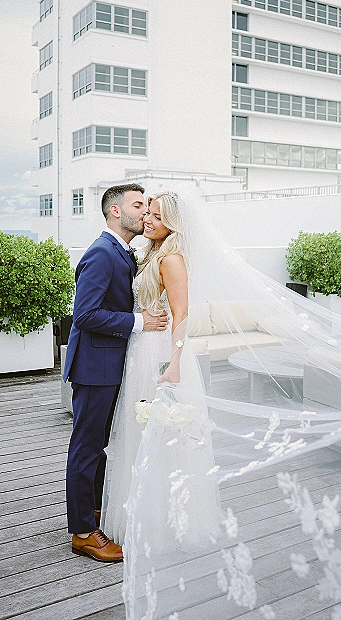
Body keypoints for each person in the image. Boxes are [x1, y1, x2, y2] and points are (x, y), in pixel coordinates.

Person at [101, 191, 221, 549]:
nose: (148, 220)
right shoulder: (149, 254)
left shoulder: (171, 259)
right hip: (139, 348)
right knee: (138, 436)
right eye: (147, 213)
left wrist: (175, 363)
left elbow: (181, 315)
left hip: (160, 352)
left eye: (156, 216)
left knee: (162, 436)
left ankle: (167, 524)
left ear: (173, 224)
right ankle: (143, 517)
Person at [63, 183, 168, 563]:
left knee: (100, 446)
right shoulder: (102, 253)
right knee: (86, 448)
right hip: (95, 368)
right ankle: (83, 534)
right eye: (138, 205)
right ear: (115, 211)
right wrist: (140, 322)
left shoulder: (122, 252)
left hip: (110, 365)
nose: (145, 212)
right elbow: (85, 315)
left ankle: (92, 512)